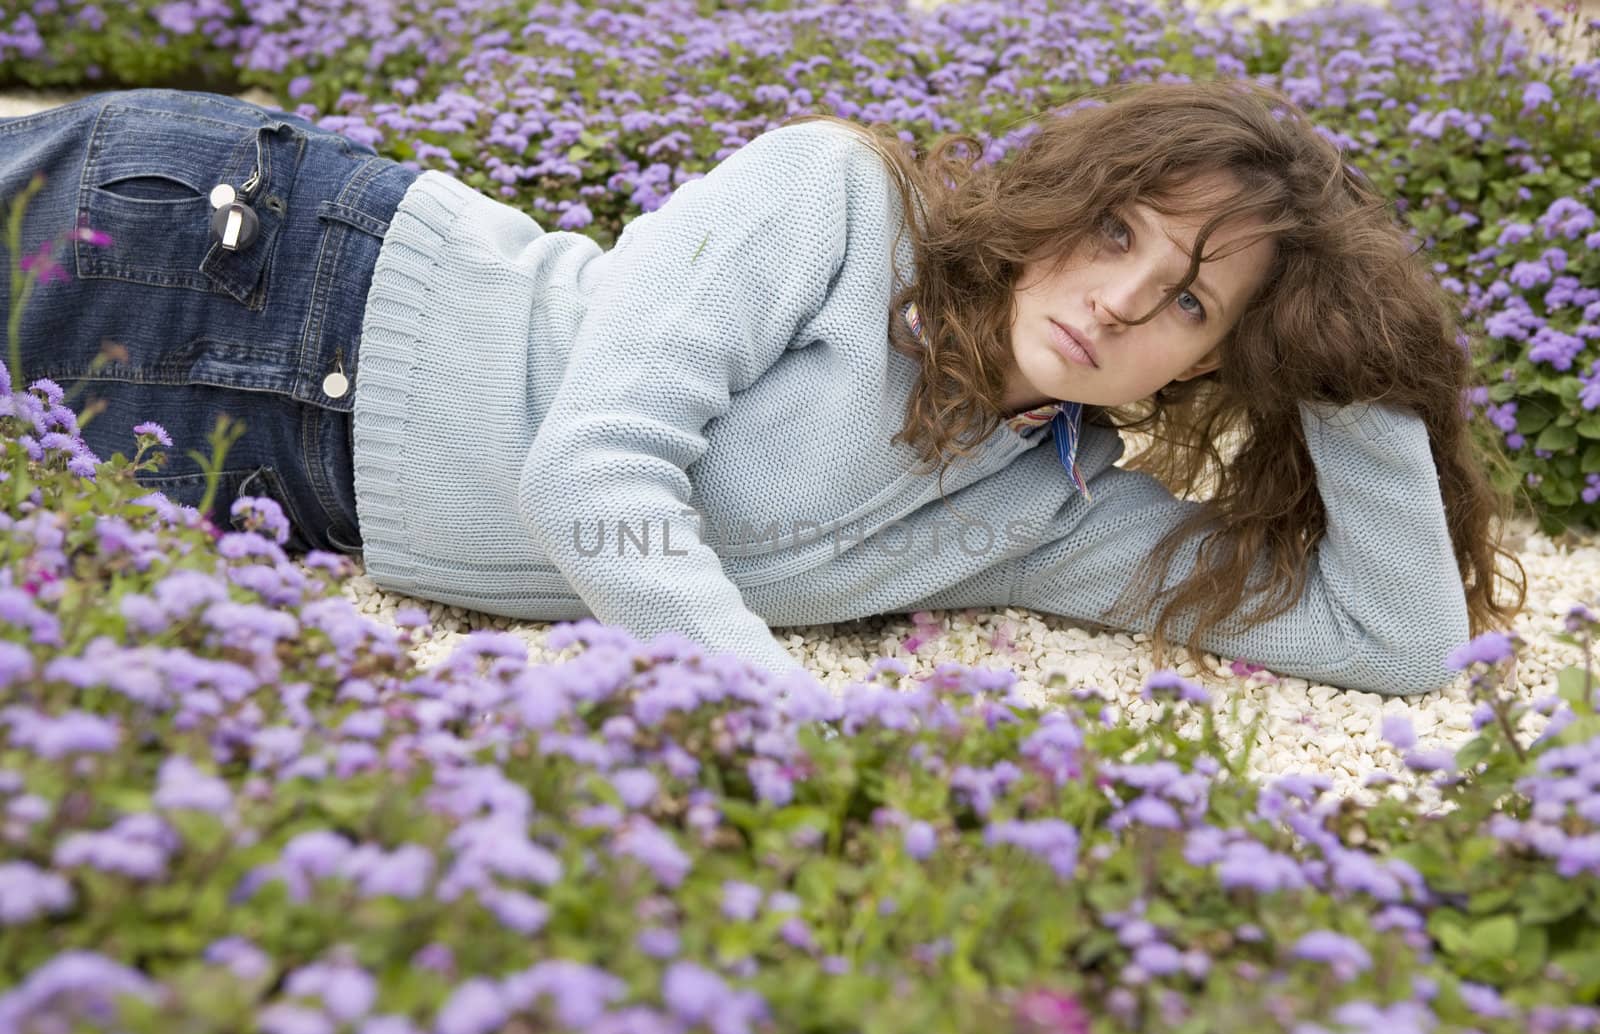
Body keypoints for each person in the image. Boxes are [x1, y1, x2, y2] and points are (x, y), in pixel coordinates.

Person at [0, 79, 1527, 697]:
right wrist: (783, 721)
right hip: (255, 262)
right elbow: (594, 473)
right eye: (1121, 227)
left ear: (1212, 362)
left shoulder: (1047, 509)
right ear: (1069, 190)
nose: (1123, 293)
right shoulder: (841, 202)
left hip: (258, 470)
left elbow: (1392, 642)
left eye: (1190, 300)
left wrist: (1356, 367)